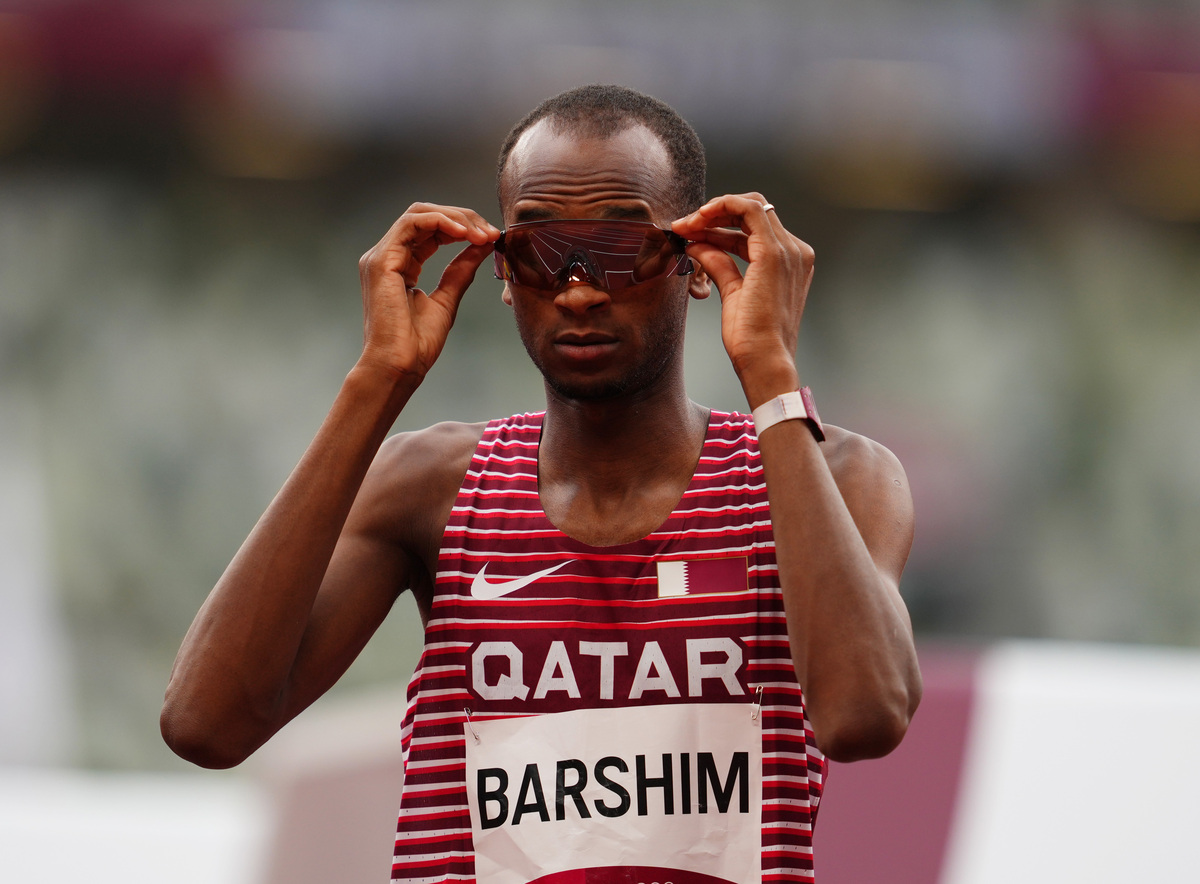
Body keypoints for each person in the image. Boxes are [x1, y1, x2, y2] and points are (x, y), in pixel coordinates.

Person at [161, 84, 921, 884]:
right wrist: (376, 381)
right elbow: (206, 724)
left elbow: (863, 715)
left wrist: (771, 376)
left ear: (699, 265)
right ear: (500, 273)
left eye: (621, 248)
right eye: (538, 252)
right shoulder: (431, 488)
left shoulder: (829, 476)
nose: (579, 289)